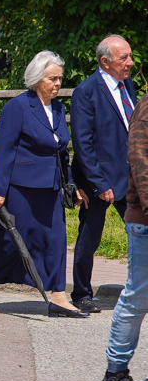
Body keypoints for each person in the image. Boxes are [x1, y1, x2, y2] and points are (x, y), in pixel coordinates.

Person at [0, 51, 87, 318]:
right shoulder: (18, 107)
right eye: (52, 78)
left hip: (51, 187)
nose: (57, 84)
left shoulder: (57, 107)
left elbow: (62, 152)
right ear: (36, 78)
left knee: (55, 240)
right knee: (7, 238)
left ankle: (58, 297)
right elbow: (3, 150)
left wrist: (72, 183)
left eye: (59, 79)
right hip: (21, 187)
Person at [70, 35, 136, 313]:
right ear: (105, 62)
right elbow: (83, 143)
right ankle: (81, 293)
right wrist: (99, 184)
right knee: (90, 236)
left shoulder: (126, 84)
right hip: (99, 179)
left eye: (130, 56)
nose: (130, 63)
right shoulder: (86, 91)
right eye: (124, 58)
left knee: (140, 232)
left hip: (130, 176)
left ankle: (139, 287)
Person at [98, 94, 148, 381]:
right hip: (145, 221)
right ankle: (114, 375)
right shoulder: (146, 109)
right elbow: (141, 162)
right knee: (138, 296)